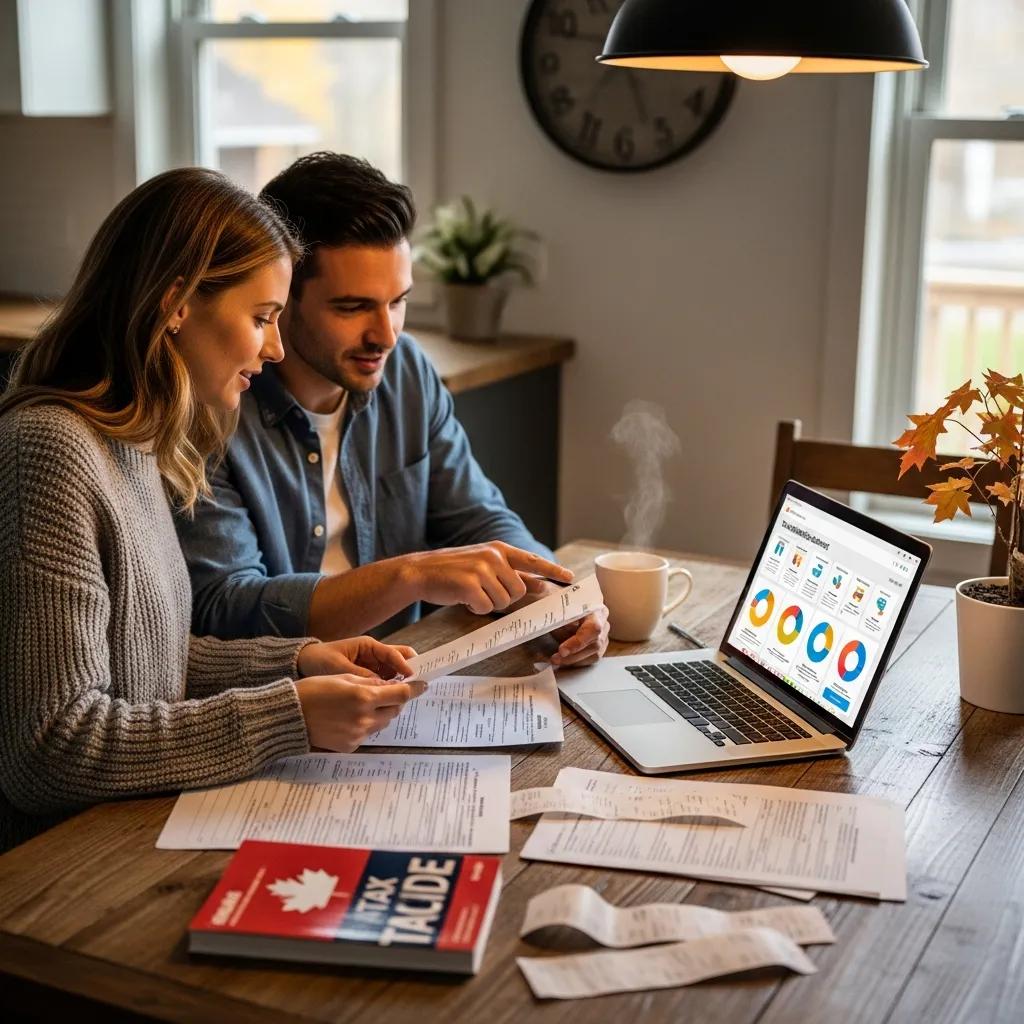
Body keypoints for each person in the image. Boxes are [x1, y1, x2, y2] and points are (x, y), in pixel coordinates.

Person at [0, 168, 425, 853]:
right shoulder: (51, 450)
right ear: (175, 305)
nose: (277, 347)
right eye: (262, 318)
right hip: (58, 868)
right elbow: (51, 748)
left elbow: (150, 663)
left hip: (128, 829)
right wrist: (286, 715)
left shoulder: (132, 443)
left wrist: (300, 662)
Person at [176, 152, 609, 665]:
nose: (385, 335)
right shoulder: (212, 402)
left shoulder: (406, 372)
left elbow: (477, 518)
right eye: (352, 307)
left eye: (398, 301)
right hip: (290, 694)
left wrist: (560, 598)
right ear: (281, 294)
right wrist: (411, 575)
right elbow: (226, 608)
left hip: (414, 669)